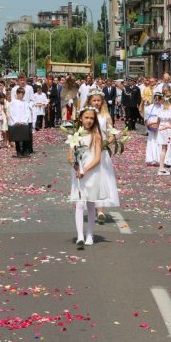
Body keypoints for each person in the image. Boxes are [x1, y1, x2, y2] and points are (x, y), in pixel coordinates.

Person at [67, 106, 107, 250]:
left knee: (90, 204)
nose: (89, 120)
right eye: (86, 117)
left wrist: (85, 169)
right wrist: (75, 165)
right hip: (79, 173)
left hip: (92, 173)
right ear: (81, 119)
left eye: (91, 118)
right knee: (79, 203)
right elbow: (70, 156)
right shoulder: (75, 136)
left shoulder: (96, 136)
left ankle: (90, 234)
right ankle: (80, 236)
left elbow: (97, 158)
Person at [85, 91, 120, 225]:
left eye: (99, 100)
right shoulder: (87, 115)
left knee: (102, 179)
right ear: (89, 101)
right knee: (90, 179)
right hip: (88, 150)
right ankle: (91, 207)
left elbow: (112, 133)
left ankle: (100, 210)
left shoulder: (106, 116)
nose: (96, 103)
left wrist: (107, 141)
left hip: (102, 152)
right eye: (94, 100)